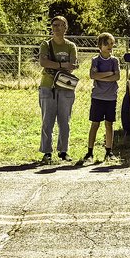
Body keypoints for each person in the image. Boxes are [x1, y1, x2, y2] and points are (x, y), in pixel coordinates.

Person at [37, 15, 79, 164]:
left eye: (60, 25)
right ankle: (47, 152)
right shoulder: (46, 45)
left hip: (65, 87)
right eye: (54, 25)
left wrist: (54, 64)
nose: (57, 28)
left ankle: (63, 151)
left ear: (65, 27)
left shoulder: (70, 46)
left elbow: (73, 65)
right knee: (47, 121)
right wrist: (62, 65)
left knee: (64, 121)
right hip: (48, 86)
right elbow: (43, 62)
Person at [83, 32, 121, 163]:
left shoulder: (115, 60)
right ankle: (89, 152)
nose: (110, 46)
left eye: (111, 43)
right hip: (98, 97)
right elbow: (93, 75)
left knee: (109, 124)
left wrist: (103, 75)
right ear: (100, 46)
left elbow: (117, 77)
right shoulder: (96, 60)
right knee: (95, 124)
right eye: (107, 44)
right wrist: (108, 74)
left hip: (111, 97)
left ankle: (109, 151)